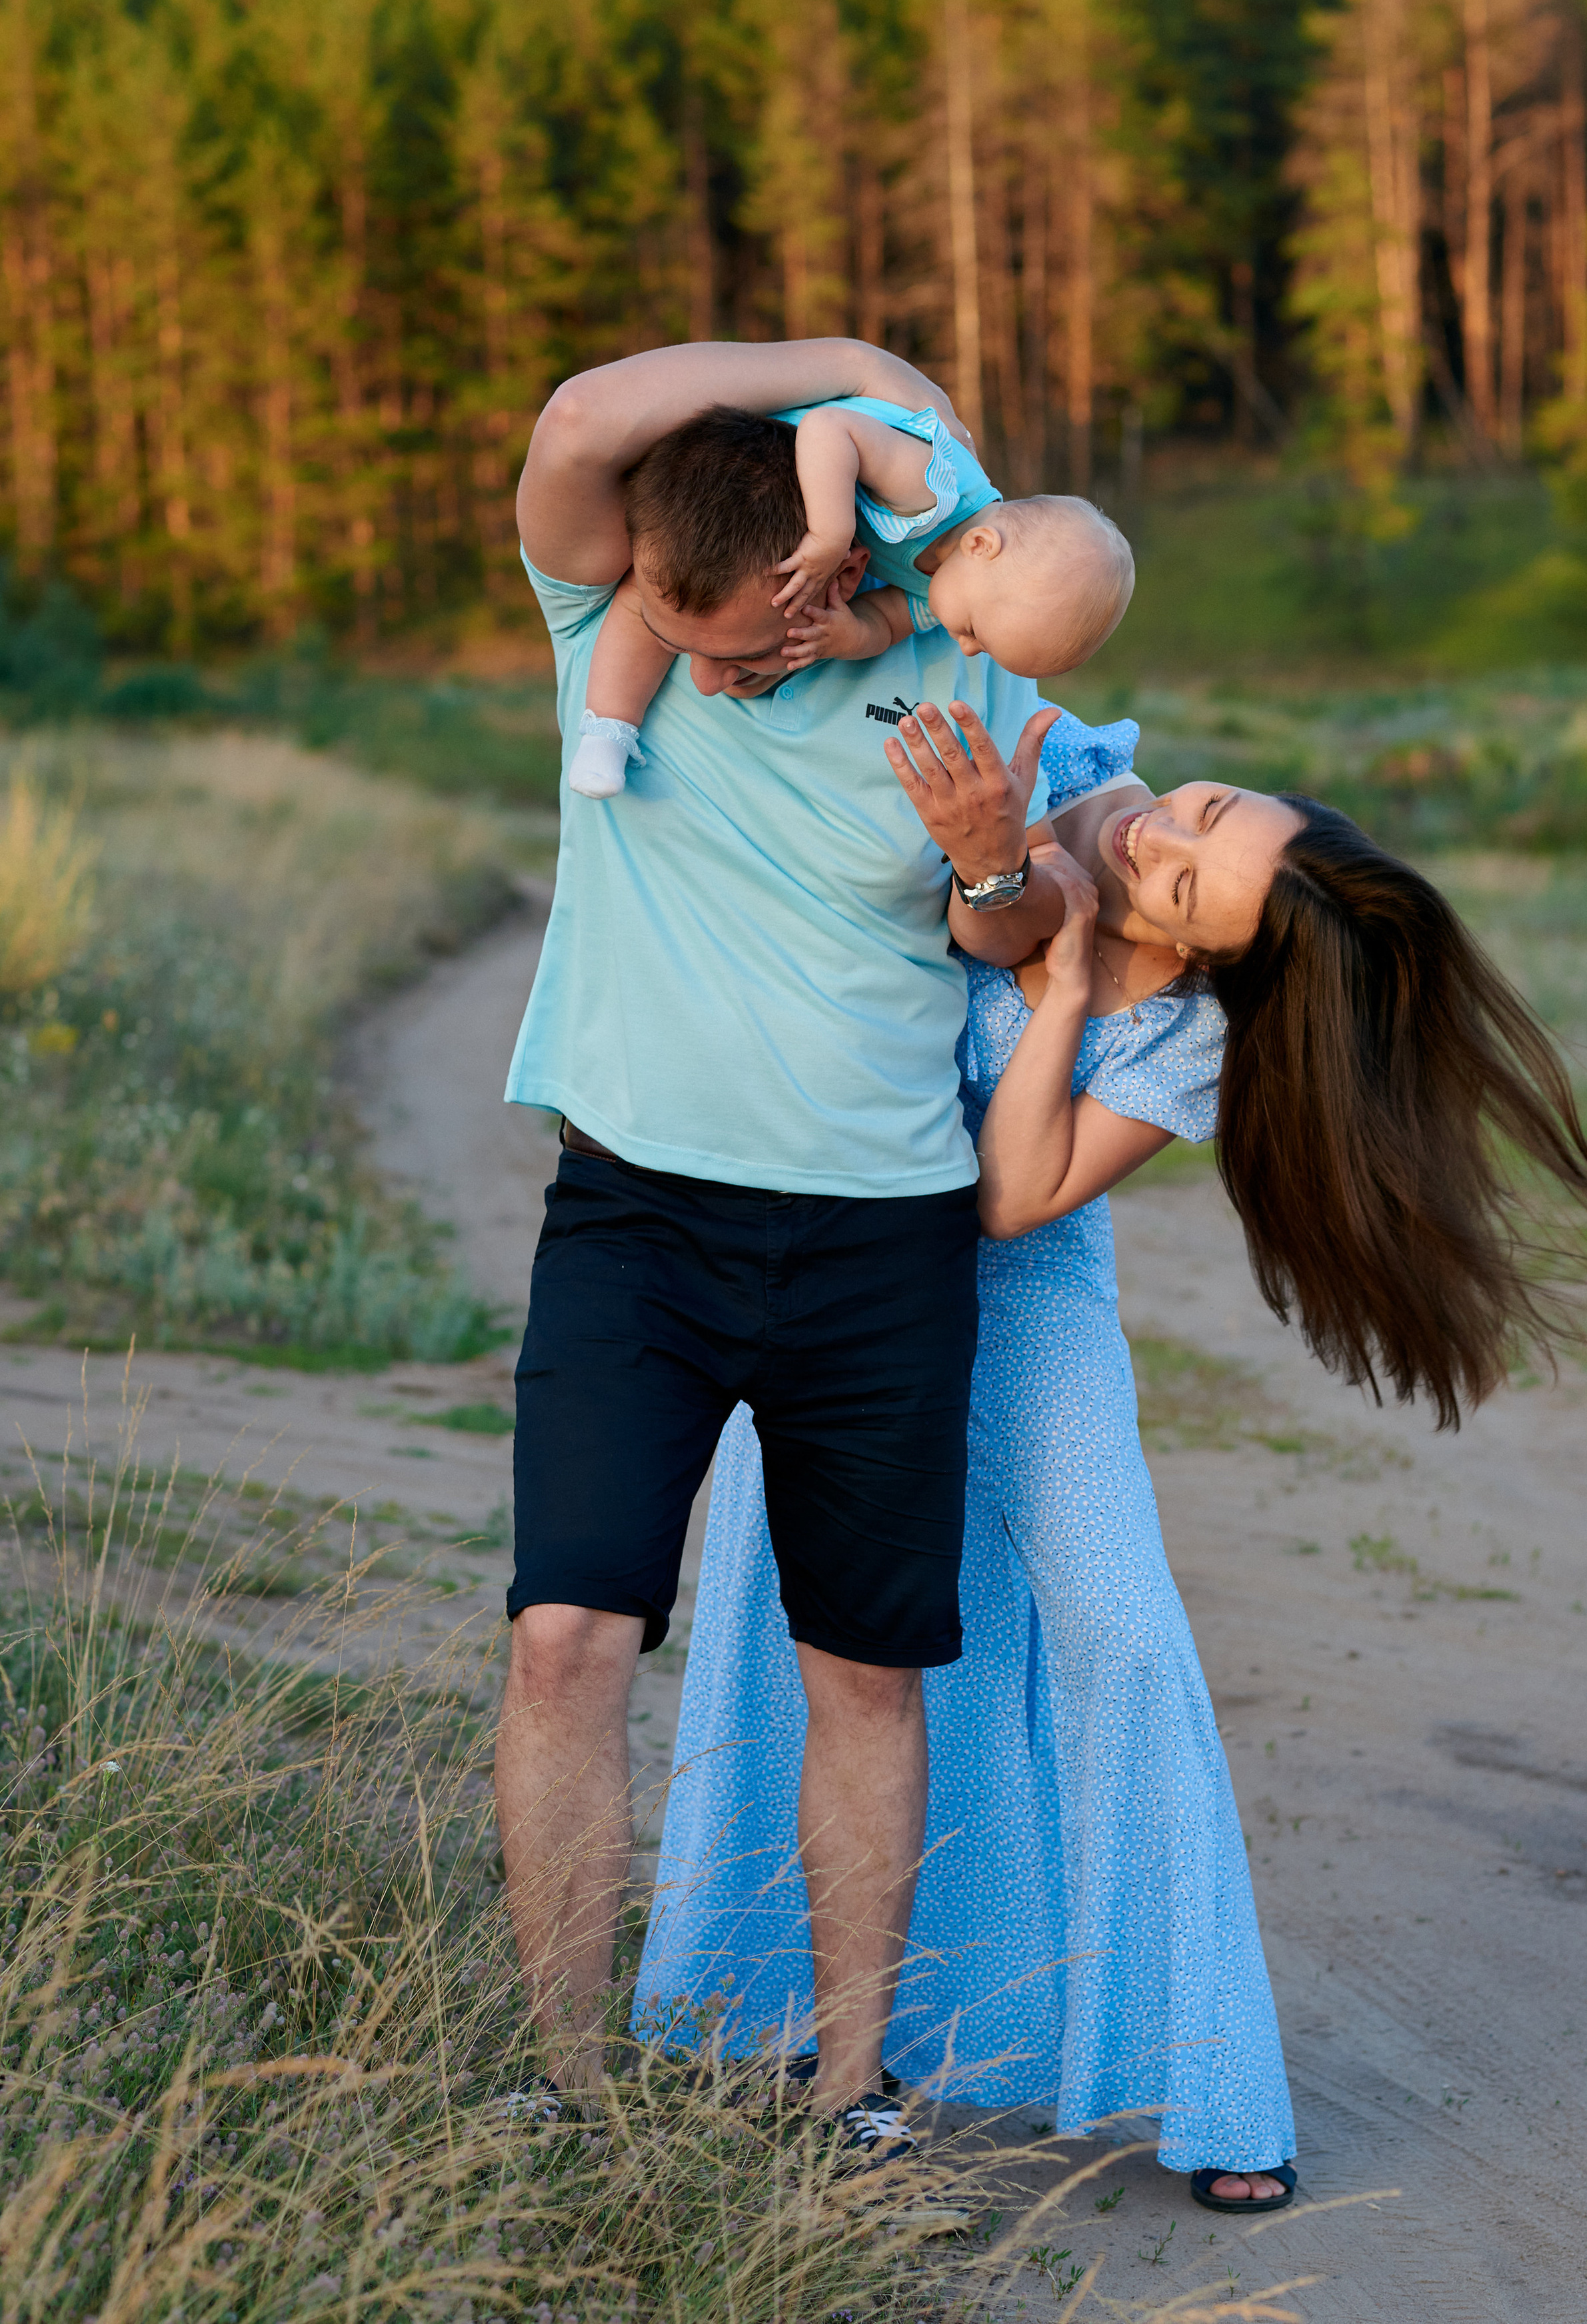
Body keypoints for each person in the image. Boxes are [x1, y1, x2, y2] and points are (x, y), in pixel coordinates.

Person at [635, 710, 1587, 2211]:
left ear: (1200, 959)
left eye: (1185, 885)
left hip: (1021, 1330)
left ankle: (1210, 2079)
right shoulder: (1065, 778)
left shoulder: (1175, 1031)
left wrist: (1057, 993)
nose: (1154, 841)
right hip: (837, 1287)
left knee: (1117, 1637)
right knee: (792, 1634)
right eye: (1204, 807)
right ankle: (810, 2016)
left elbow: (1011, 1200)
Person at [495, 334, 1076, 2187]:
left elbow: (1027, 930)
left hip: (879, 1241)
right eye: (707, 638)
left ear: (838, 582)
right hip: (634, 1218)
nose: (725, 671)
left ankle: (853, 2091)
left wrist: (995, 868)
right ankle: (563, 2086)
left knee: (866, 1671)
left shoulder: (955, 646)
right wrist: (840, 368)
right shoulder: (623, 606)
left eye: (760, 638)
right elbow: (586, 416)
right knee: (568, 1637)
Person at [567, 390, 1132, 797]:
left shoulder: (949, 590)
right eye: (976, 634)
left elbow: (885, 622)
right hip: (753, 467)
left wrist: (844, 635)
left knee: (694, 617)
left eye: (978, 648)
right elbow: (827, 430)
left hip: (774, 519)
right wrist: (830, 534)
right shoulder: (931, 487)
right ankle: (607, 727)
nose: (963, 647)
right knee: (658, 602)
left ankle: (610, 731)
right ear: (983, 544)